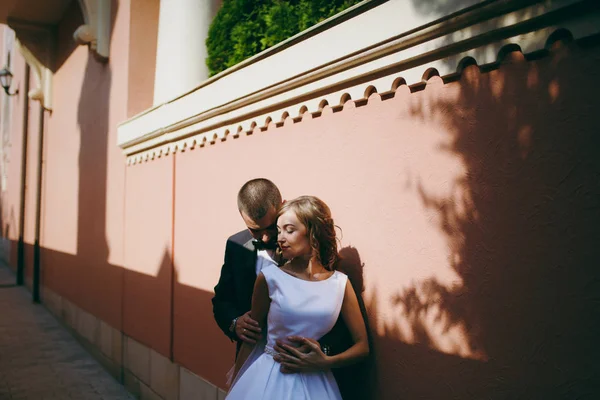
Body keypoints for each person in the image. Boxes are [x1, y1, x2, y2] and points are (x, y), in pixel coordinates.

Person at [226, 196, 370, 399]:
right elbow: (251, 338)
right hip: (268, 381)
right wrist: (235, 388)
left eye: (290, 230)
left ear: (312, 233)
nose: (280, 237)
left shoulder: (340, 284)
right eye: (279, 230)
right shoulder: (269, 278)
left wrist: (326, 362)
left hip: (317, 382)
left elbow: (362, 346)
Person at [212, 178, 283, 355]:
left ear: (282, 206)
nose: (265, 238)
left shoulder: (303, 241)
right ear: (241, 215)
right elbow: (222, 300)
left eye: (271, 227)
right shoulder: (236, 244)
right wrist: (235, 322)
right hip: (250, 356)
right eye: (255, 230)